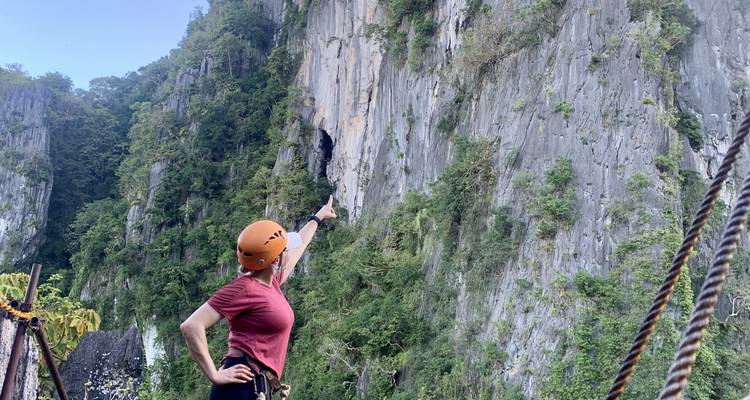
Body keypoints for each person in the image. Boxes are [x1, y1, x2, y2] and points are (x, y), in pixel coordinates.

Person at [180, 195, 337, 399]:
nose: (289, 252)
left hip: (259, 386)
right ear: (275, 259)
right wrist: (214, 375)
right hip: (241, 387)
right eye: (284, 249)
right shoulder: (244, 288)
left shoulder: (271, 283)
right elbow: (191, 326)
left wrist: (317, 217)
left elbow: (300, 246)